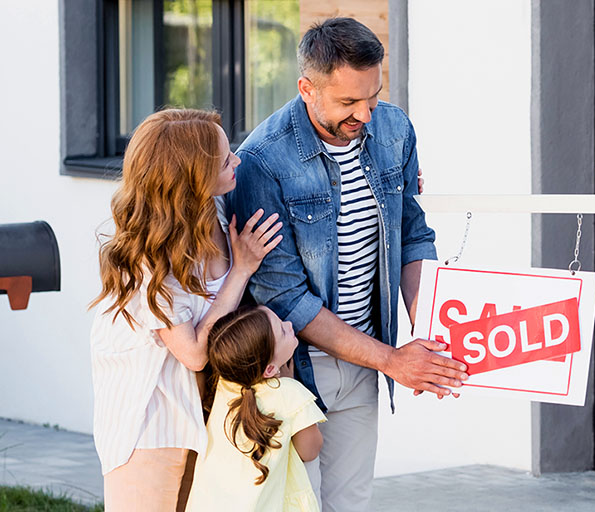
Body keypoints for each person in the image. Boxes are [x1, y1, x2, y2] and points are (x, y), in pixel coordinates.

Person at [226, 17, 469, 511]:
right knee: (297, 502)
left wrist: (433, 334)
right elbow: (286, 297)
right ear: (307, 89)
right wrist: (395, 362)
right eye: (348, 102)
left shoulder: (394, 129)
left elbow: (412, 235)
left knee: (351, 503)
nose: (366, 113)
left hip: (365, 358)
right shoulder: (263, 161)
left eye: (373, 97)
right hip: (291, 367)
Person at [89, 109, 282, 511]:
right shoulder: (145, 257)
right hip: (151, 426)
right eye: (226, 159)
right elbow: (192, 352)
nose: (237, 162)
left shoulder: (215, 211)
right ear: (191, 176)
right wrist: (241, 269)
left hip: (207, 414)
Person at [185, 306, 325, 511]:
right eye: (283, 330)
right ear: (269, 369)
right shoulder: (289, 392)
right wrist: (288, 383)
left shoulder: (225, 384)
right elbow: (310, 451)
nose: (290, 324)